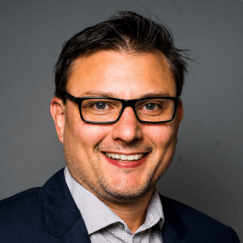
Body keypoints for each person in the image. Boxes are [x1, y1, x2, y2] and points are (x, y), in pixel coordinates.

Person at [0, 11, 240, 243]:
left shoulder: (217, 237)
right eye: (101, 105)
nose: (128, 133)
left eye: (152, 106)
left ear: (177, 118)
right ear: (61, 119)